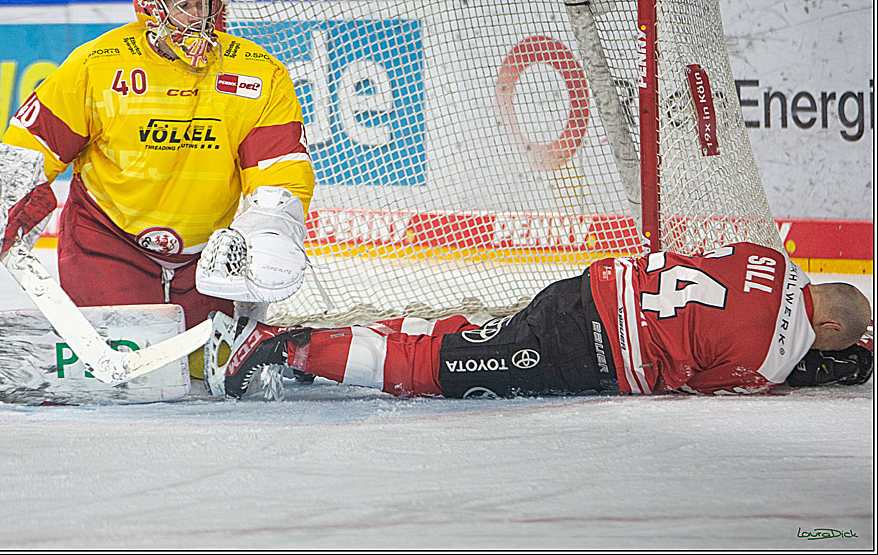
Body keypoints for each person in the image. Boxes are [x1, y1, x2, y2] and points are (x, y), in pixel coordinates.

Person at [0, 0, 314, 379]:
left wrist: (272, 226)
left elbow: (279, 165)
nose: (201, 19)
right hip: (107, 239)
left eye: (206, 4)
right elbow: (34, 141)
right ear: (153, 11)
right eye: (186, 6)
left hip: (207, 252)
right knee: (122, 366)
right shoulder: (99, 65)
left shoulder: (258, 73)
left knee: (206, 371)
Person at [217, 242, 873, 399]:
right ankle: (292, 349)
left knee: (463, 340)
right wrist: (798, 373)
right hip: (586, 350)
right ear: (833, 333)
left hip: (584, 290)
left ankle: (322, 355)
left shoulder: (772, 256)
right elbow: (705, 387)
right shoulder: (770, 357)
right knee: (434, 375)